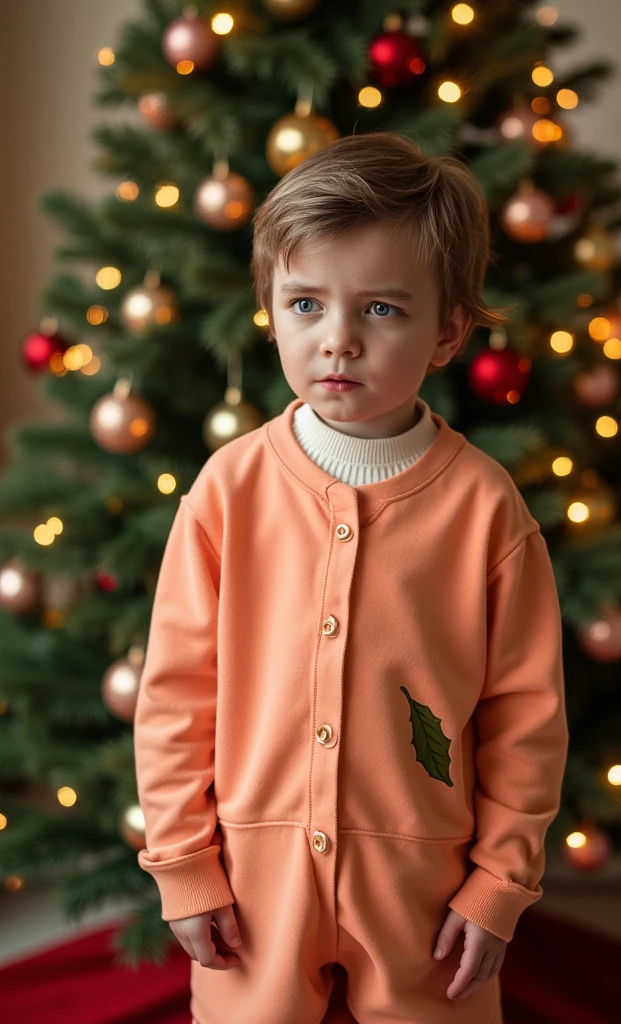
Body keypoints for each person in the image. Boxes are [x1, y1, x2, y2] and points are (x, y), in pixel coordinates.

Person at [133, 131, 570, 1024]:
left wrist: (498, 882)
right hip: (252, 888)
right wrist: (184, 864)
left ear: (447, 330)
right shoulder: (229, 491)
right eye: (304, 304)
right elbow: (176, 693)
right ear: (270, 309)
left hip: (424, 886)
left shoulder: (487, 507)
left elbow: (527, 714)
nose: (336, 341)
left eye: (380, 310)